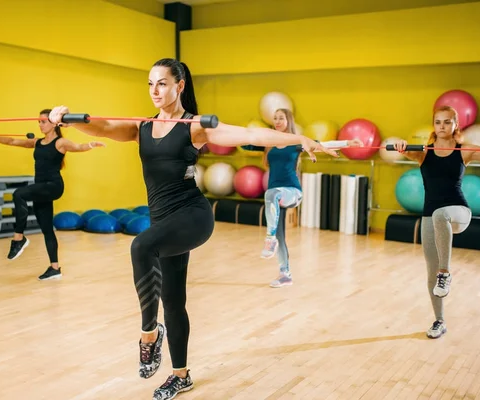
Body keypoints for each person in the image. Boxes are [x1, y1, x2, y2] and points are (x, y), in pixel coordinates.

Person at [47, 58, 339, 400]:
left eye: (163, 83)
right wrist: (65, 118)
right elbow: (103, 126)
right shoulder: (141, 127)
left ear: (179, 85)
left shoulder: (194, 126)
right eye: (150, 84)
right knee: (173, 300)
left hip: (192, 215)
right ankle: (180, 375)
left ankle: (149, 334)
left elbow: (249, 134)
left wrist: (297, 137)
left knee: (140, 247)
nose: (155, 91)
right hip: (163, 220)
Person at [393, 105, 480, 339]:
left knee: (440, 216)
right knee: (431, 275)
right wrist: (403, 146)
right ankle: (439, 320)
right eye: (437, 122)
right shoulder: (424, 152)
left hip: (458, 212)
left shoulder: (465, 151)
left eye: (446, 122)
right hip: (430, 217)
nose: (442, 126)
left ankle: (446, 272)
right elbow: (404, 151)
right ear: (433, 125)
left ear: (455, 125)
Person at [0, 108, 105, 281]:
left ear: (53, 123)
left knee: (18, 194)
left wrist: (91, 144)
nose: (40, 124)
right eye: (38, 121)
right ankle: (55, 268)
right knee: (46, 229)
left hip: (53, 186)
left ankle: (18, 238)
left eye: (43, 121)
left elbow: (77, 147)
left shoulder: (60, 142)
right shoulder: (37, 143)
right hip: (41, 188)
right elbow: (13, 141)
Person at [258, 108, 362, 288]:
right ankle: (285, 274)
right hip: (276, 196)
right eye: (275, 118)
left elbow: (323, 144)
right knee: (281, 235)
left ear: (288, 120)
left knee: (271, 193)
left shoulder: (296, 142)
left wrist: (348, 142)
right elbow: (244, 140)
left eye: (281, 118)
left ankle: (269, 238)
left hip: (292, 191)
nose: (277, 121)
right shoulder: (269, 143)